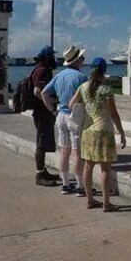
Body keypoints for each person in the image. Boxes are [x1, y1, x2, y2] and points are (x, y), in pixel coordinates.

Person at [69, 57, 127, 212]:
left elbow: (71, 104)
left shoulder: (83, 87)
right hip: (104, 131)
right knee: (105, 169)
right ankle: (106, 204)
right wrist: (121, 132)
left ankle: (90, 200)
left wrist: (86, 107)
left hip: (88, 131)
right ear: (104, 71)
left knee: (88, 167)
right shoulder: (106, 89)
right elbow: (113, 114)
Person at [41, 45, 88, 196]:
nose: (83, 60)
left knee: (64, 152)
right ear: (76, 61)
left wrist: (52, 110)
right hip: (75, 116)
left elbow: (44, 93)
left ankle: (66, 184)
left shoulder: (59, 76)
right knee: (77, 153)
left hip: (60, 115)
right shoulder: (81, 77)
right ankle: (80, 186)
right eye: (82, 58)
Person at [30, 46, 61, 186]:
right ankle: (39, 175)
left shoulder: (41, 69)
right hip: (42, 112)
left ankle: (42, 171)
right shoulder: (42, 71)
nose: (54, 59)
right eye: (52, 56)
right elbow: (37, 91)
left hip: (43, 111)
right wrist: (50, 102)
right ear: (47, 57)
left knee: (43, 141)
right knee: (41, 143)